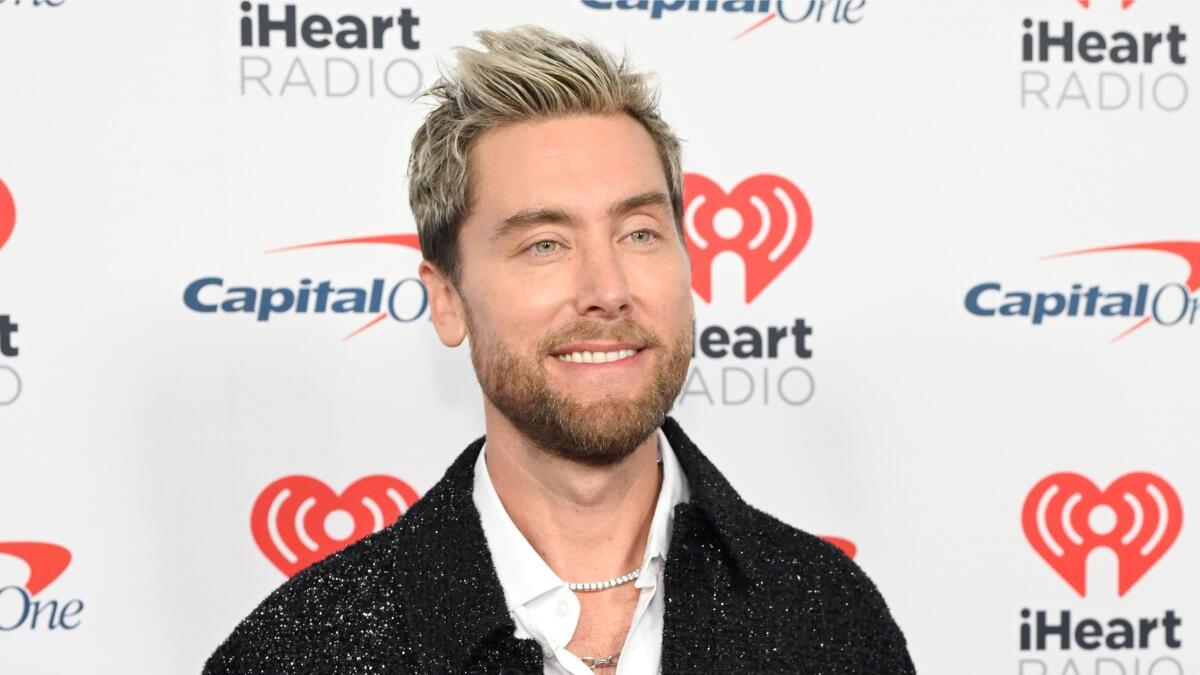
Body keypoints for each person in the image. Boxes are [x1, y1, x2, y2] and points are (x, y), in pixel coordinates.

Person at [204, 25, 914, 675]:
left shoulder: (831, 620)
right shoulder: (298, 653)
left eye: (639, 233)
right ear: (447, 299)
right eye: (545, 244)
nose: (607, 290)